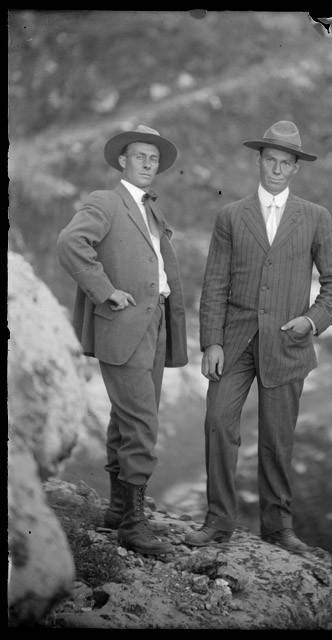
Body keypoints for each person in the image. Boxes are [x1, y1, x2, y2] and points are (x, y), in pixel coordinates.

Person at [185, 121, 332, 554]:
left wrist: (312, 321)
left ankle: (277, 529)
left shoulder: (315, 217)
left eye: (285, 163)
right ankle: (218, 521)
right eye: (270, 160)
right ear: (259, 161)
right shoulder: (231, 216)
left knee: (277, 438)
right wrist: (211, 342)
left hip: (288, 343)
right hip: (235, 341)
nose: (276, 169)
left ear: (295, 169)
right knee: (218, 422)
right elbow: (215, 282)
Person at [57, 124, 188, 557]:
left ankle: (117, 511)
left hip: (154, 324)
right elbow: (72, 243)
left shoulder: (150, 209)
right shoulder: (106, 201)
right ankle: (134, 525)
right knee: (142, 422)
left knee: (126, 418)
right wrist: (105, 289)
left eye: (153, 159)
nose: (148, 165)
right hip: (123, 324)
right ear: (122, 161)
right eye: (140, 157)